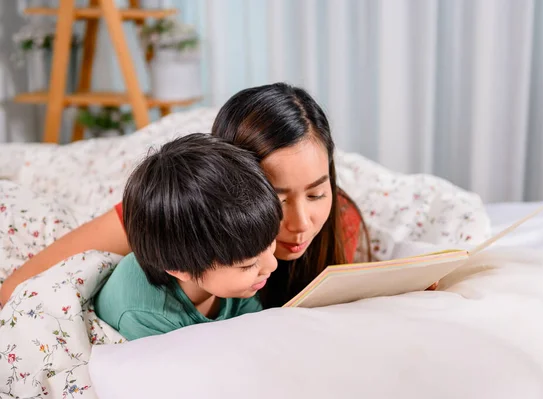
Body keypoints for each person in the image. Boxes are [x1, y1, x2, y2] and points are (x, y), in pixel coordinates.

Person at [0, 83, 371, 309]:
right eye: (278, 198)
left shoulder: (342, 221)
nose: (302, 224)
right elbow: (16, 291)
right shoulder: (171, 214)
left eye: (318, 192)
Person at [95, 134, 282, 340]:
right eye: (248, 264)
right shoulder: (146, 316)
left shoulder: (239, 278)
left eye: (270, 242)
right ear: (180, 269)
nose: (272, 265)